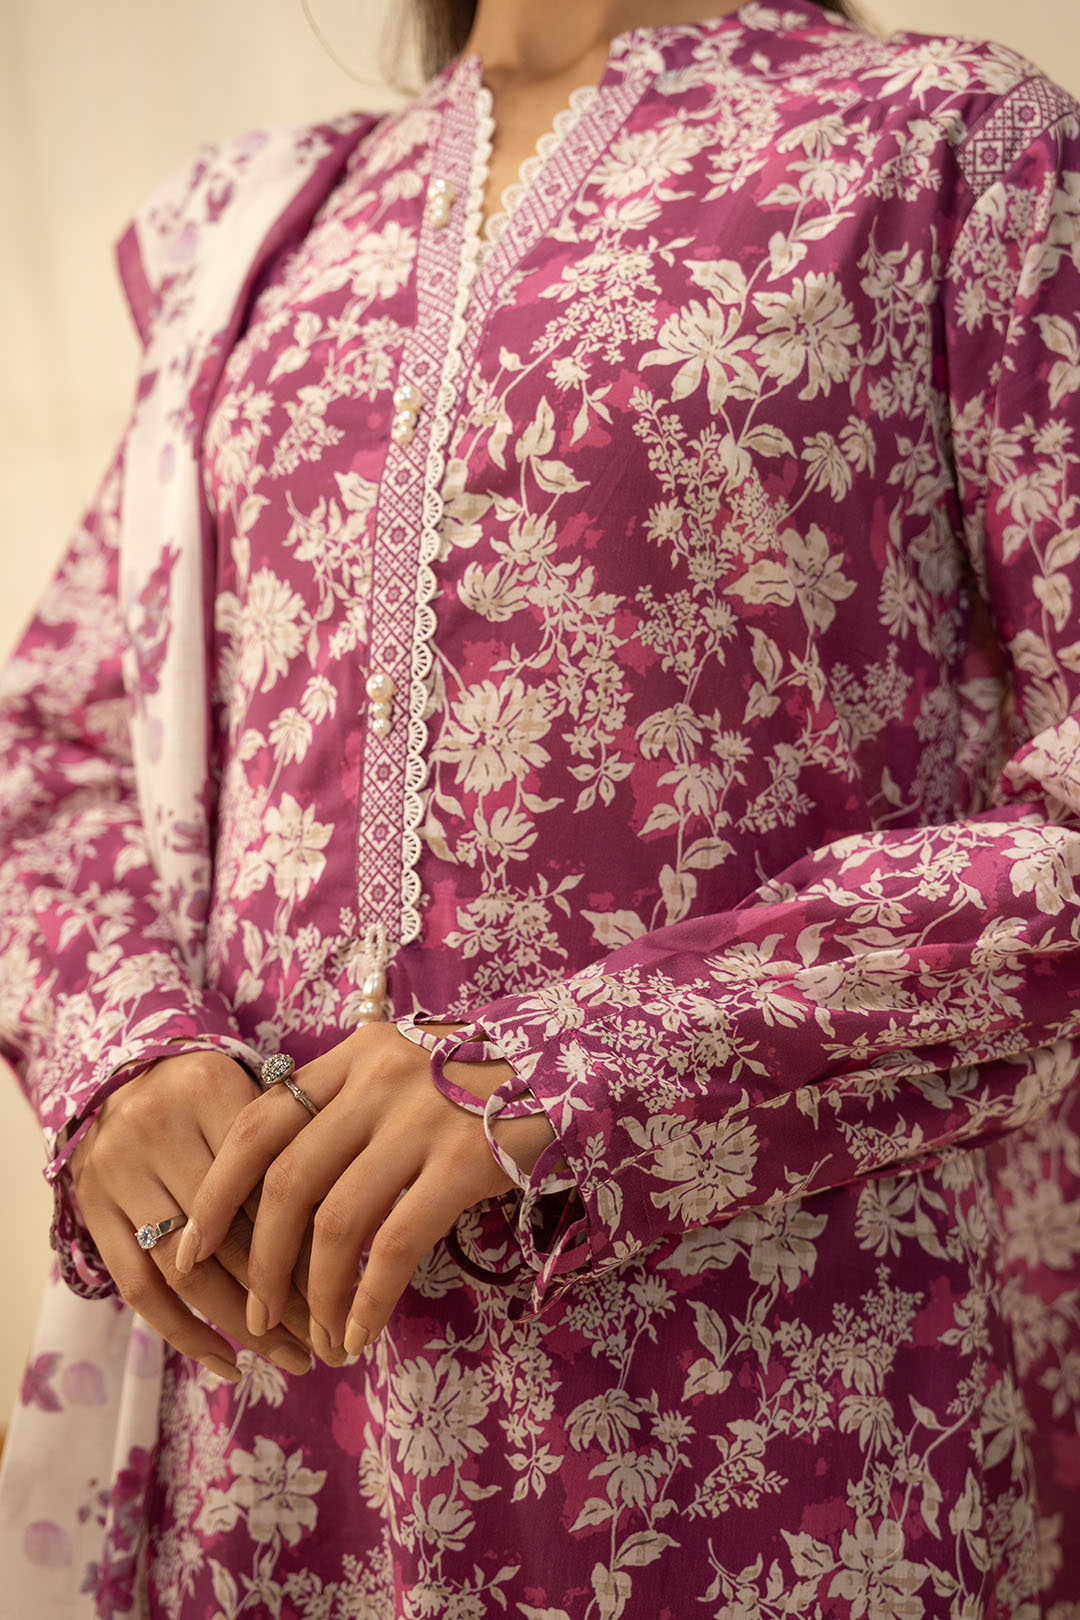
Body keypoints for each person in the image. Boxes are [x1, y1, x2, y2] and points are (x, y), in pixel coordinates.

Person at [2, 0, 1080, 1613]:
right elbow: (58, 749)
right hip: (284, 1430)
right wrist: (123, 1059)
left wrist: (567, 1071)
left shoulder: (949, 146)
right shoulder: (267, 226)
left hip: (775, 1407)